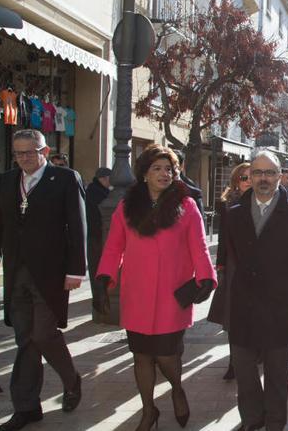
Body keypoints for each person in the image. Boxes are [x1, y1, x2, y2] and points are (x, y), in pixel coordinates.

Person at [95, 145, 216, 430]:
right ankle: (149, 410)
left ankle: (176, 388)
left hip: (172, 295)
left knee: (166, 355)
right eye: (157, 168)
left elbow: (198, 246)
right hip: (136, 294)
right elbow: (114, 247)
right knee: (141, 356)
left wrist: (207, 277)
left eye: (169, 169)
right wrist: (103, 279)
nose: (165, 174)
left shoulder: (186, 206)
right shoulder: (127, 207)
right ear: (145, 174)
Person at [0, 129, 87, 431]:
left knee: (42, 334)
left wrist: (75, 271)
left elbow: (77, 226)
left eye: (30, 152)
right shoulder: (6, 181)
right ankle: (26, 407)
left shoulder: (65, 178)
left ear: (44, 150)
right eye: (18, 153)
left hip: (51, 273)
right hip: (17, 273)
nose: (24, 158)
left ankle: (71, 379)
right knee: (25, 340)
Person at [224, 151, 288, 431]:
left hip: (280, 307)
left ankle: (275, 422)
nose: (263, 178)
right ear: (249, 176)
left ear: (280, 176)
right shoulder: (233, 214)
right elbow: (231, 257)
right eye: (257, 172)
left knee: (277, 372)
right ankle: (252, 419)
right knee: (244, 370)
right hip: (244, 305)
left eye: (269, 172)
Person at [208, 162, 253, 381]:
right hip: (235, 267)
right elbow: (223, 239)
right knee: (233, 317)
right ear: (236, 181)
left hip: (259, 269)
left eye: (251, 176)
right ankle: (234, 361)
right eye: (244, 178)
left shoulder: (265, 203)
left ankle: (253, 356)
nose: (248, 181)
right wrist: (221, 266)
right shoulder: (228, 206)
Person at [85, 167, 111, 318]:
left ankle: (100, 303)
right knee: (98, 271)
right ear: (104, 178)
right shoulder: (96, 192)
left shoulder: (98, 190)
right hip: (97, 236)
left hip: (97, 236)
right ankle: (100, 304)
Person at [171, 149, 205, 225]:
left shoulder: (193, 194)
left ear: (181, 166)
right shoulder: (153, 191)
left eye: (173, 166)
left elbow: (199, 227)